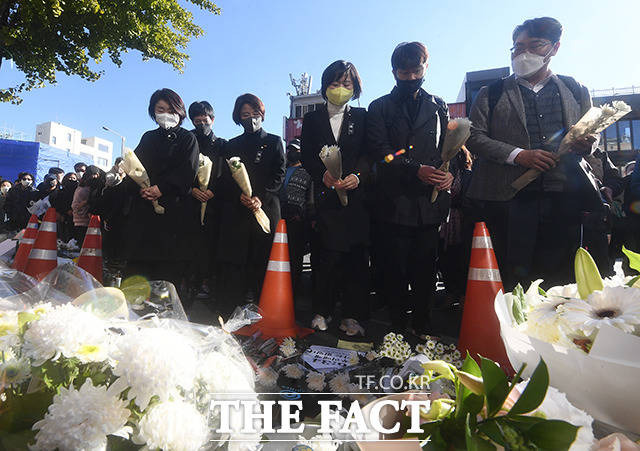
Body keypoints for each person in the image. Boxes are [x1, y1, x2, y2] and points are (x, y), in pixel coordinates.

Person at [466, 17, 598, 290]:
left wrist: (588, 143)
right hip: (509, 199)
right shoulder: (491, 93)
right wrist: (518, 155)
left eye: (535, 45)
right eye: (517, 46)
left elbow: (592, 137)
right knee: (513, 276)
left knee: (563, 278)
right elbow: (475, 137)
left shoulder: (576, 89)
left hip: (564, 197)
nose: (523, 53)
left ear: (554, 48)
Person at [368, 42, 452, 337]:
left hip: (429, 203)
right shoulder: (379, 107)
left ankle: (423, 323)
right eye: (404, 72)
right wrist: (414, 169)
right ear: (394, 72)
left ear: (425, 68)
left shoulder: (439, 105)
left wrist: (448, 176)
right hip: (392, 201)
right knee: (394, 269)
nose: (411, 76)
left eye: (416, 70)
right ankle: (396, 324)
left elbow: (448, 150)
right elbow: (381, 151)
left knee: (426, 270)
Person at [300, 60, 370, 336]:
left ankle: (353, 315)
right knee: (325, 257)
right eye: (334, 83)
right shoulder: (312, 119)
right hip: (327, 199)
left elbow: (371, 154)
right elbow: (306, 155)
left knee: (355, 258)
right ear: (325, 86)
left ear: (355, 88)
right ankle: (322, 310)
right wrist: (322, 175)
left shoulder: (363, 117)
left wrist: (359, 176)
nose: (340, 88)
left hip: (357, 200)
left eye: (346, 84)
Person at [120, 88, 199, 290]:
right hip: (145, 212)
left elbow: (187, 172)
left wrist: (162, 188)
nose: (165, 114)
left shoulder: (187, 139)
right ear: (153, 112)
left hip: (174, 211)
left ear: (180, 112)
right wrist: (140, 188)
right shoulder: (148, 137)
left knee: (168, 270)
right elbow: (135, 166)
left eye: (171, 109)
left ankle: (167, 310)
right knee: (138, 267)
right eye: (160, 109)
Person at [216, 93, 285, 311]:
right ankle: (236, 303)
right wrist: (240, 196)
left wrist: (260, 198)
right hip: (238, 209)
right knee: (238, 258)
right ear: (238, 117)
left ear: (262, 114)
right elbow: (225, 177)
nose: (251, 118)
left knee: (263, 256)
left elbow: (279, 175)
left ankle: (264, 303)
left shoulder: (274, 141)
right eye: (245, 114)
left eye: (255, 113)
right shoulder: (231, 145)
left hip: (265, 208)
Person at [187, 100, 227, 301]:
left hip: (214, 204)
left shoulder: (222, 145)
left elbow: (228, 175)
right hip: (190, 202)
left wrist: (213, 191)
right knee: (190, 243)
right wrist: (191, 189)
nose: (202, 124)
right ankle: (190, 282)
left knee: (212, 245)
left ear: (212, 119)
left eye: (205, 119)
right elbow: (180, 170)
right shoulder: (186, 141)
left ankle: (208, 281)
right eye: (197, 120)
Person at [279, 138, 313, 297]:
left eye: (296, 150)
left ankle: (294, 290)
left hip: (297, 220)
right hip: (279, 217)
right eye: (290, 149)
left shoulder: (308, 171)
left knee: (294, 257)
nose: (292, 152)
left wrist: (305, 215)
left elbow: (311, 197)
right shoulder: (281, 169)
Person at [71, 165, 103, 244]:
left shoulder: (93, 185)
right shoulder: (84, 185)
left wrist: (86, 203)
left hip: (85, 217)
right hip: (80, 216)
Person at [50, 172, 78, 242]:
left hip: (75, 216)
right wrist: (63, 212)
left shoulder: (77, 191)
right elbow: (58, 203)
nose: (71, 180)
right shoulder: (60, 192)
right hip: (63, 216)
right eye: (70, 178)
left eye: (74, 178)